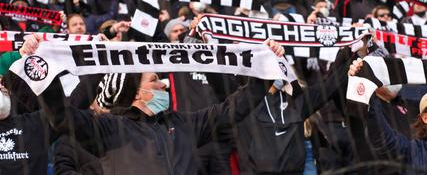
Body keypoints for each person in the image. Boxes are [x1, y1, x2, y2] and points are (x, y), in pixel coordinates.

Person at [20, 34, 285, 175]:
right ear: (136, 94)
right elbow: (61, 117)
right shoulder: (108, 128)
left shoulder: (185, 124)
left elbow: (233, 109)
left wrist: (266, 67)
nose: (165, 86)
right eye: (156, 80)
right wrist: (41, 69)